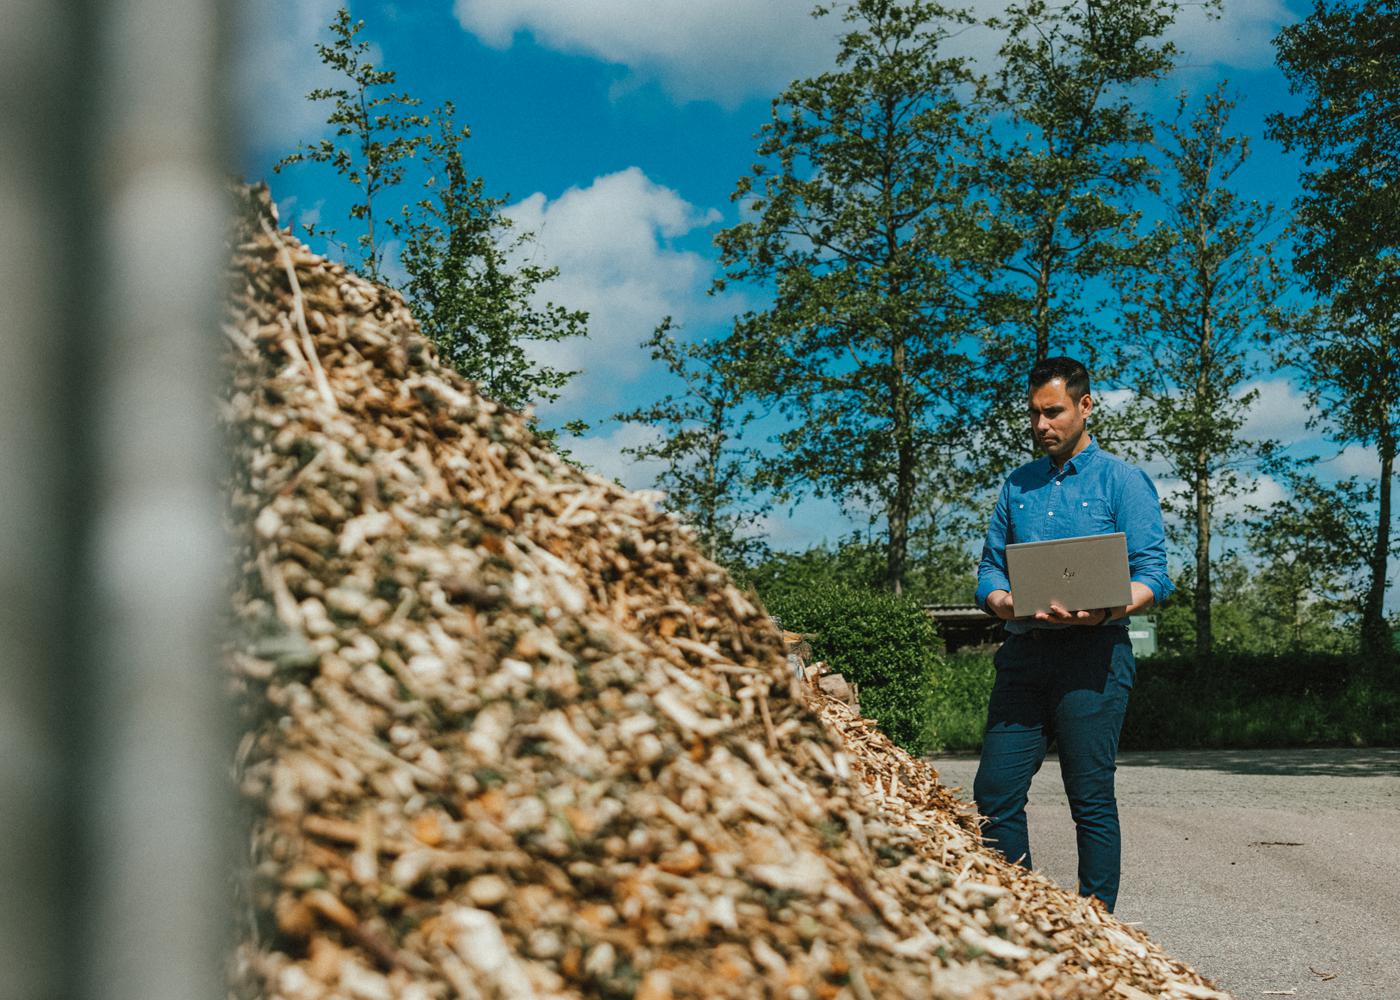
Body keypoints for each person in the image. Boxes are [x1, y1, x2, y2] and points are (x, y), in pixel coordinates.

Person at [972, 356, 1172, 913]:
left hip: (1094, 656)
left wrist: (1107, 612)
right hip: (1026, 653)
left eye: (1053, 412)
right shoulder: (1018, 485)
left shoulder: (1123, 480)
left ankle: (1095, 930)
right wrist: (1005, 600)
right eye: (1034, 414)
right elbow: (989, 569)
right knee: (994, 794)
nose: (1041, 425)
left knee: (1089, 799)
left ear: (1085, 406)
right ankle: (1023, 917)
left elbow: (1154, 575)